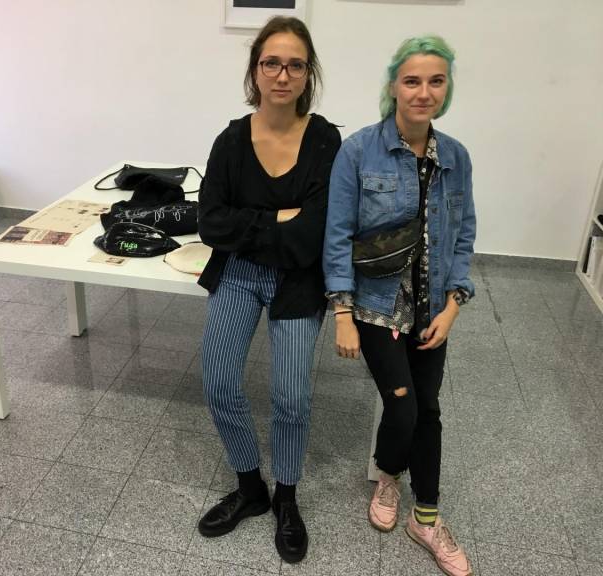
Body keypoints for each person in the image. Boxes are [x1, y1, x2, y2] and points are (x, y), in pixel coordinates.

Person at [323, 36, 476, 576]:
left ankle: (426, 518)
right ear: (393, 86)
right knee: (405, 406)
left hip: (434, 309)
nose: (423, 92)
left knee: (429, 410)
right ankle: (388, 477)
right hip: (376, 307)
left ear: (446, 88)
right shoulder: (358, 151)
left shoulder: (455, 156)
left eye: (436, 81)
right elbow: (337, 235)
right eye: (412, 81)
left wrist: (453, 307)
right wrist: (342, 313)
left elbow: (463, 235)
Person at [196, 16, 341, 564]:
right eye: (271, 63)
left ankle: (286, 495)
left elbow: (316, 230)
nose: (283, 75)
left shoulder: (325, 140)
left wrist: (253, 224)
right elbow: (211, 223)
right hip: (238, 271)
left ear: (308, 74)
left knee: (291, 397)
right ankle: (250, 486)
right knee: (218, 381)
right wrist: (280, 219)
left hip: (298, 279)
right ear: (255, 70)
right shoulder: (230, 141)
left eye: (295, 65)